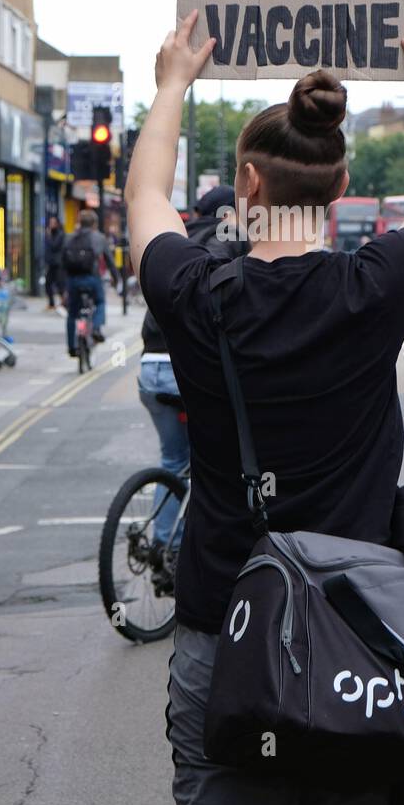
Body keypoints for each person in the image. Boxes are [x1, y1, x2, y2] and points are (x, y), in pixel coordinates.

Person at [126, 9, 404, 805]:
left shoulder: (197, 292)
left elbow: (144, 198)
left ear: (245, 184)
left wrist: (171, 83)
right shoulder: (376, 285)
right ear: (342, 180)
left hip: (224, 630)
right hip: (355, 646)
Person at [138, 185, 247, 581]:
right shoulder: (233, 239)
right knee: (219, 463)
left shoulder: (179, 237)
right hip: (188, 365)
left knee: (173, 461)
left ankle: (161, 543)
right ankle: (189, 556)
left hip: (149, 366)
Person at [63, 209, 118, 357]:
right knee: (100, 302)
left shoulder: (69, 237)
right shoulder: (99, 238)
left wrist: (63, 287)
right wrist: (116, 279)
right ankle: (95, 328)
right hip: (91, 279)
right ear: (94, 224)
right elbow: (110, 262)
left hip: (73, 281)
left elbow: (63, 263)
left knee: (72, 314)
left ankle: (71, 346)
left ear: (79, 222)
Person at [44, 217, 66, 310]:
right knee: (48, 283)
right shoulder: (51, 234)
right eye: (50, 222)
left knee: (60, 284)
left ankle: (64, 303)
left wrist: (48, 236)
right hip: (52, 263)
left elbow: (54, 246)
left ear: (57, 224)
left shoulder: (60, 234)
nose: (51, 224)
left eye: (53, 223)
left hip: (59, 264)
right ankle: (51, 303)